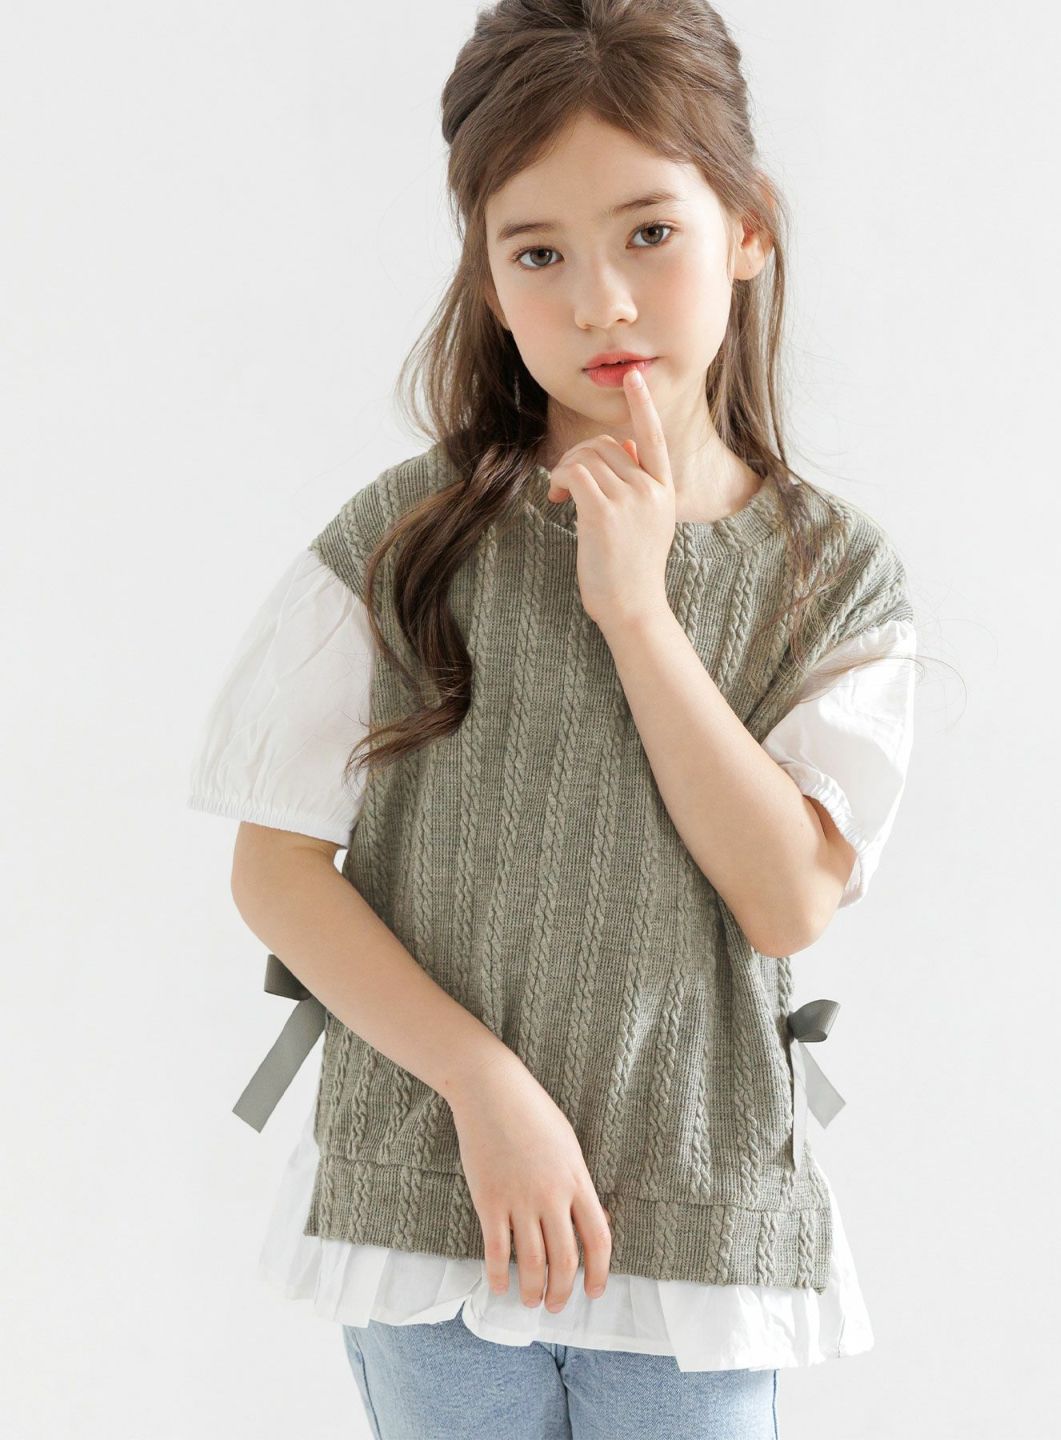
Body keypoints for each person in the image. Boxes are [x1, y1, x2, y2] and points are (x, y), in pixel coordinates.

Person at [187, 2, 921, 1435]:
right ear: (488, 277)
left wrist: (638, 612)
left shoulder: (833, 577)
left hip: (692, 1219)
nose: (601, 302)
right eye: (539, 254)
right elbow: (274, 868)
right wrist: (483, 1085)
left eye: (650, 233)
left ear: (748, 228)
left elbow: (786, 900)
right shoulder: (405, 542)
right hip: (430, 1207)